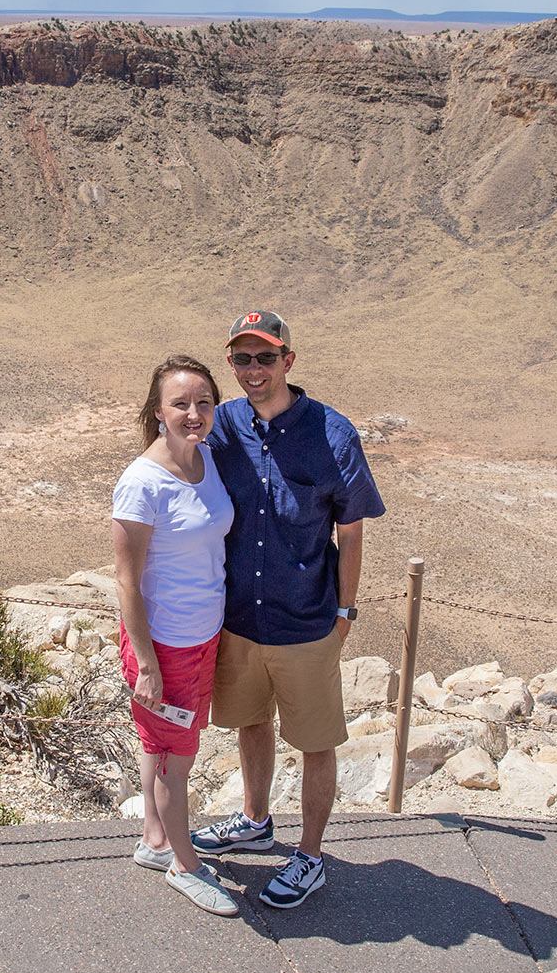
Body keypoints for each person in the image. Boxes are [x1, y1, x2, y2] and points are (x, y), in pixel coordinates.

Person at [192, 311, 385, 908]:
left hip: (306, 618)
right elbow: (170, 454)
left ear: (289, 362)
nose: (253, 370)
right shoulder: (222, 425)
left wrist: (346, 613)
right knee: (251, 722)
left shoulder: (331, 432)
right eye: (241, 359)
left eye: (265, 358)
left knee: (315, 740)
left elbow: (350, 531)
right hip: (240, 618)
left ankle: (311, 855)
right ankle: (255, 822)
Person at [111, 355, 240, 917]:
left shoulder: (206, 460)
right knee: (177, 758)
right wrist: (147, 663)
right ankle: (186, 866)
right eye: (180, 404)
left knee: (159, 746)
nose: (194, 413)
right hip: (164, 643)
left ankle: (155, 841)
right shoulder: (142, 483)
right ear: (157, 412)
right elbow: (126, 581)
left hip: (201, 634)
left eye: (204, 402)